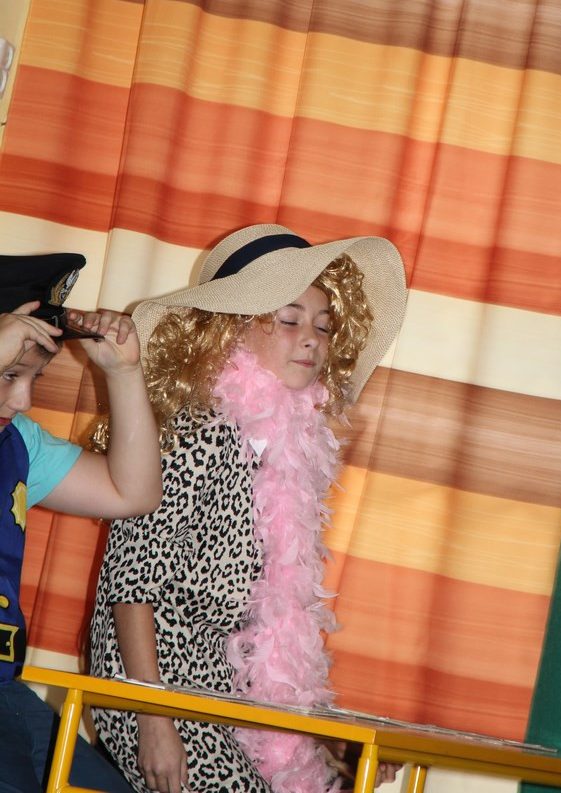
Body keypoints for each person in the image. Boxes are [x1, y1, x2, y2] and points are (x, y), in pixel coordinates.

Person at [89, 224, 407, 793]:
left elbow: (271, 626)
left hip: (224, 689)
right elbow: (129, 582)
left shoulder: (288, 457)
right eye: (288, 320)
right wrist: (153, 721)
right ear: (230, 330)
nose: (311, 340)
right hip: (152, 683)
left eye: (323, 326)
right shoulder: (193, 432)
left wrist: (323, 738)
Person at [0, 252, 163, 793]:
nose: (23, 399)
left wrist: (124, 373)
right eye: (9, 374)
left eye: (34, 378)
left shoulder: (17, 442)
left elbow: (132, 493)